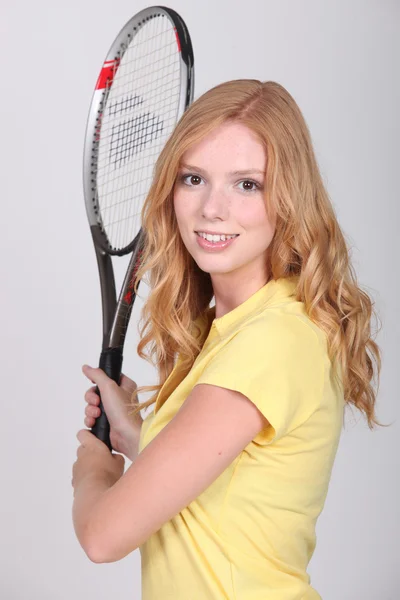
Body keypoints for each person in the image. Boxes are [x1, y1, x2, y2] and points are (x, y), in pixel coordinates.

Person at [72, 80, 382, 599]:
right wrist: (132, 433)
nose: (212, 208)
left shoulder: (273, 342)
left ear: (288, 197)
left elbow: (102, 537)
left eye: (247, 185)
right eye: (194, 178)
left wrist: (94, 468)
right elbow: (212, 494)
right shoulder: (230, 327)